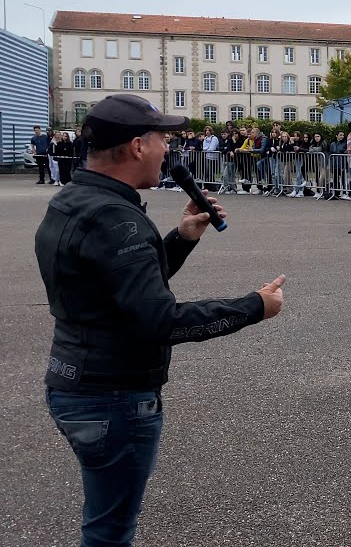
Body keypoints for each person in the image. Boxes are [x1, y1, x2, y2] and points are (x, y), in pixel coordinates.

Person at [35, 94, 286, 546]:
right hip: (112, 396)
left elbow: (118, 289)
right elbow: (157, 319)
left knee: (105, 521)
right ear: (136, 147)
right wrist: (253, 306)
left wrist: (181, 238)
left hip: (73, 381)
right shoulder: (117, 217)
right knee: (110, 531)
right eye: (161, 139)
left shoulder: (73, 199)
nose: (166, 149)